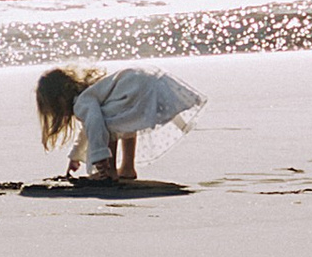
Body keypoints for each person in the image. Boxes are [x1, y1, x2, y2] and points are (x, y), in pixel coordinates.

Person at [35, 59, 204, 185]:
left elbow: (95, 125)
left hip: (140, 86)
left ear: (59, 99)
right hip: (153, 80)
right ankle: (127, 168)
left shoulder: (82, 102)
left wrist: (100, 157)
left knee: (107, 122)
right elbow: (87, 128)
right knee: (123, 119)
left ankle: (110, 171)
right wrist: (75, 156)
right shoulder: (93, 91)